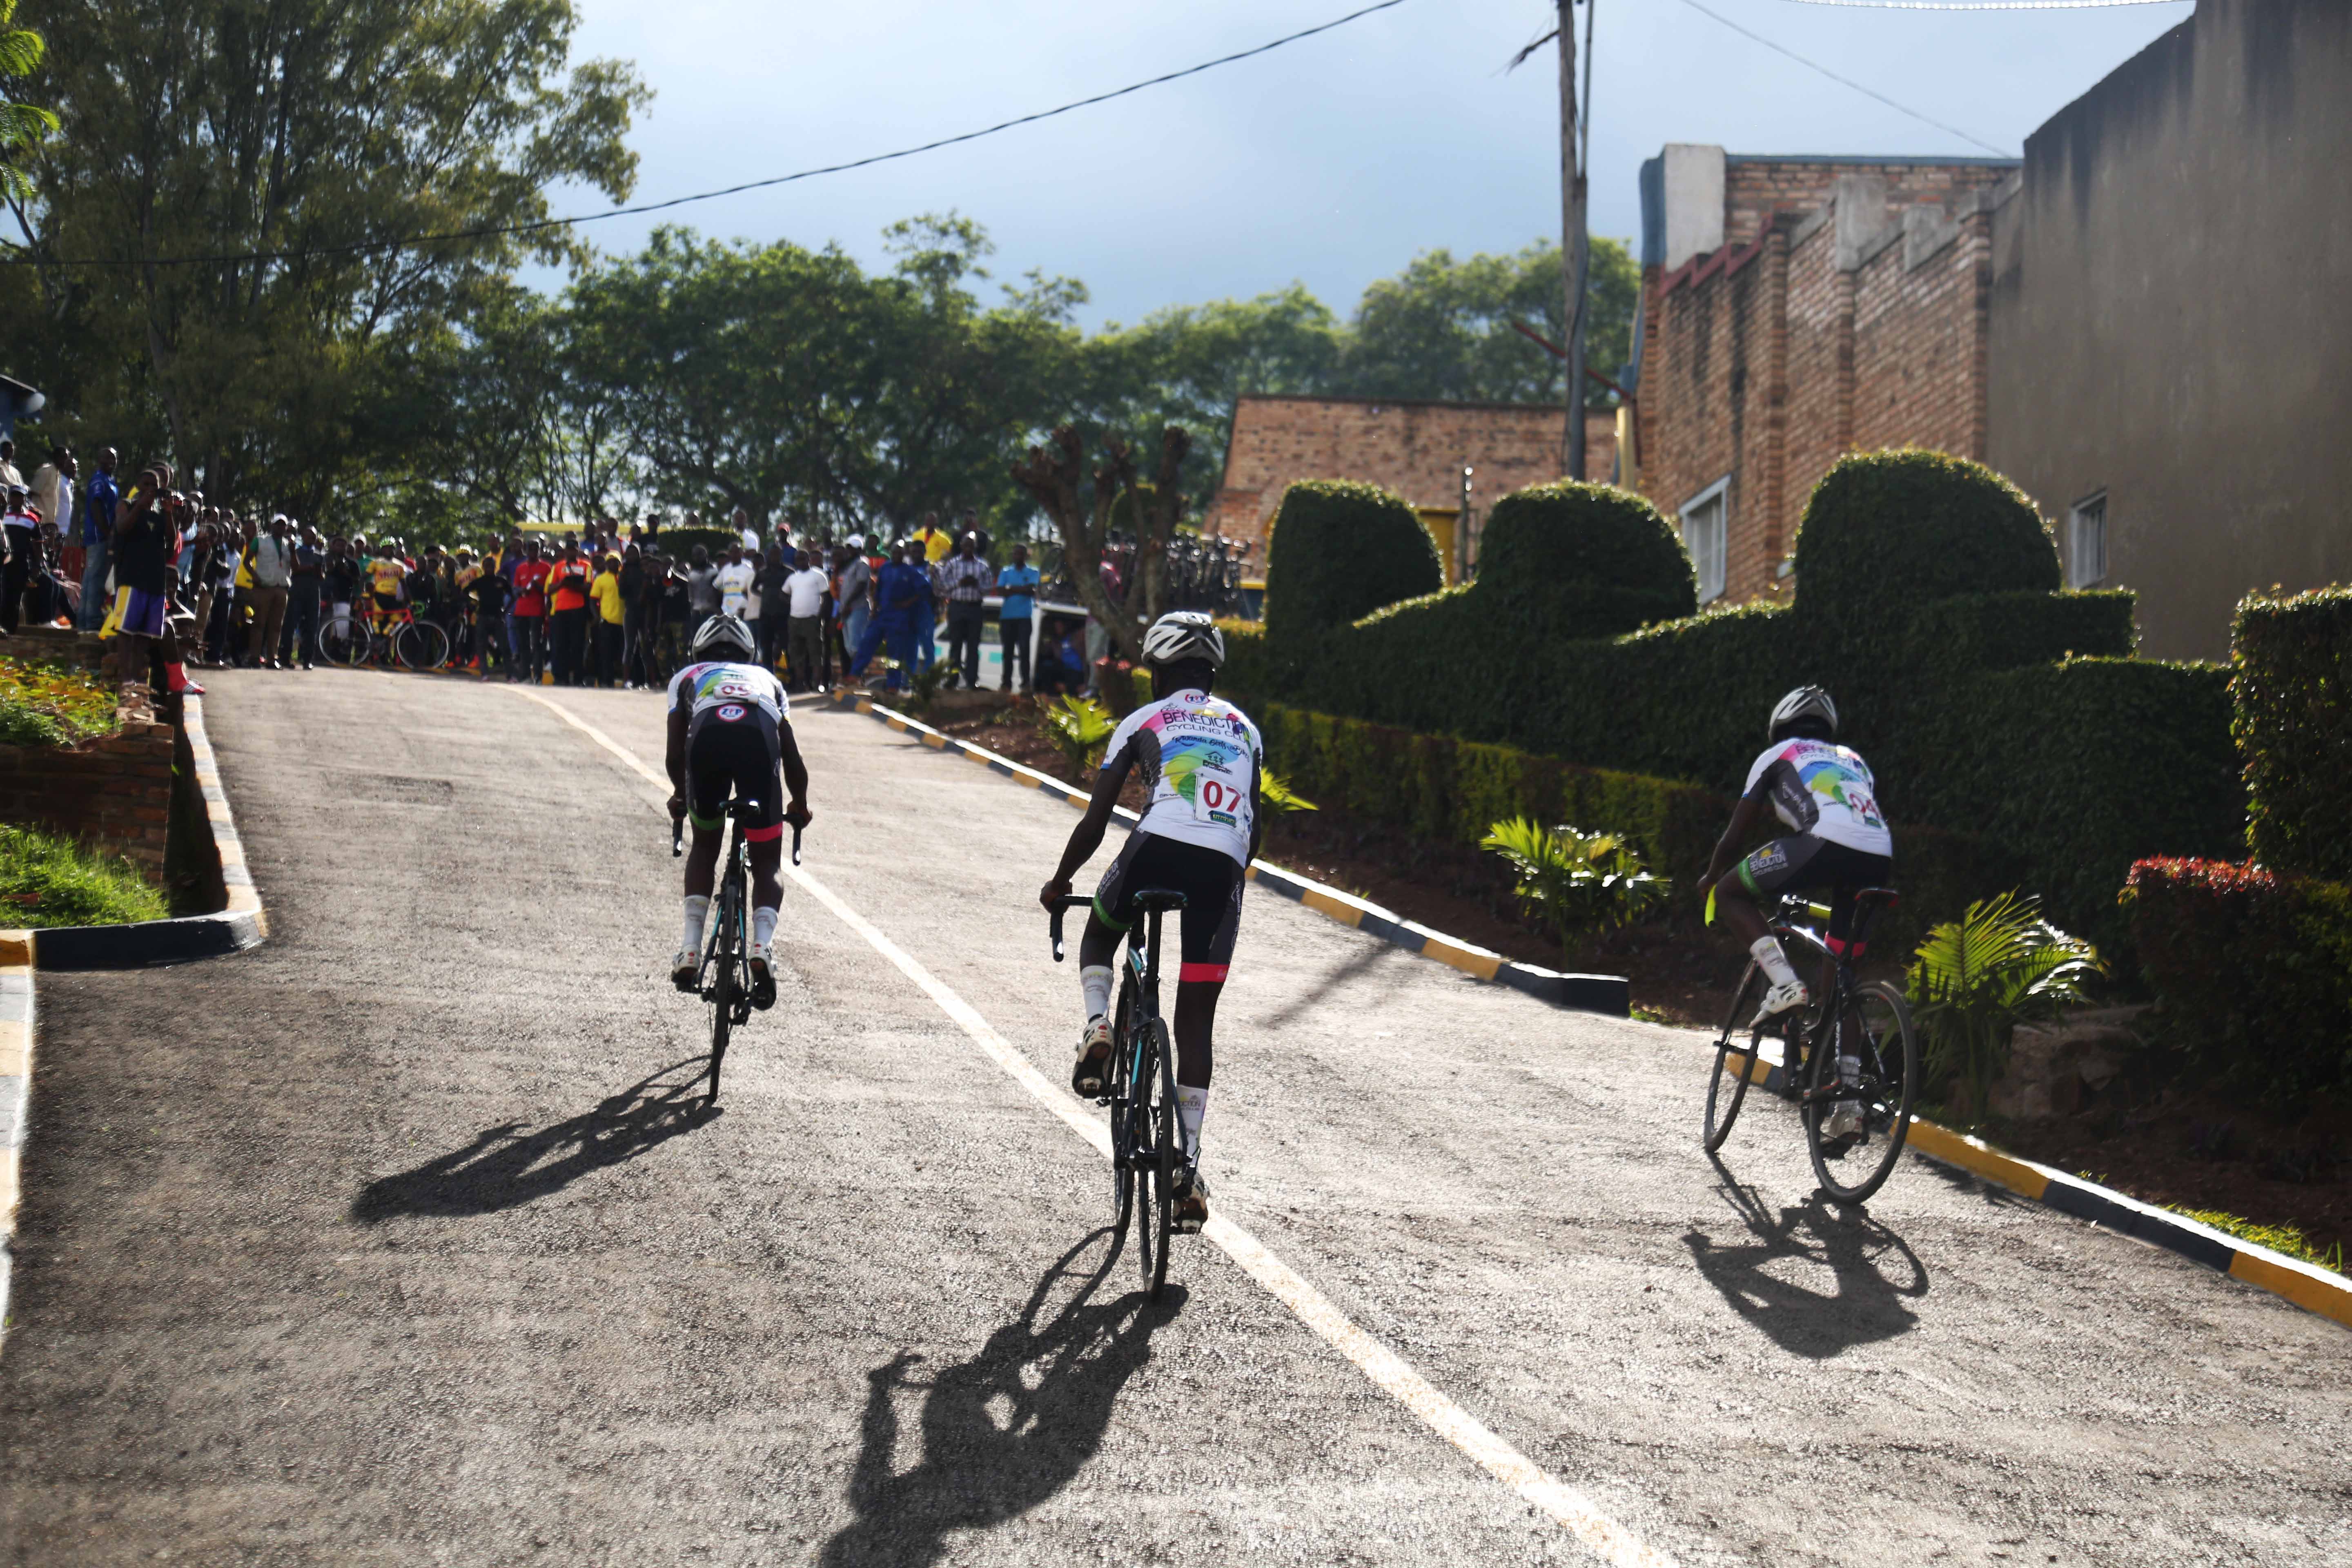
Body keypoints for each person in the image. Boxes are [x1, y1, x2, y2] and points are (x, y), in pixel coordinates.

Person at [1036, 612, 1261, 1236]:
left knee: (1102, 930)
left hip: (1156, 845)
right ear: (1211, 673)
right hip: (1223, 870)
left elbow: (1096, 817)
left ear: (1157, 672)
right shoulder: (1245, 728)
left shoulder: (1142, 720)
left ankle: (1099, 1025)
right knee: (1196, 1016)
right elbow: (1256, 830)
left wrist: (1060, 883)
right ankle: (1186, 1164)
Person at [1701, 686, 1893, 1141]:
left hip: (1822, 847)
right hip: (1879, 859)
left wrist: (1710, 876)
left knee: (1731, 892)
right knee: (1841, 976)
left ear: (1780, 724)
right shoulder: (1854, 759)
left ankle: (1785, 983)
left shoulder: (1778, 753)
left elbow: (1735, 833)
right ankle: (1848, 1104)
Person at [664, 612, 811, 1010]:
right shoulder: (769, 681)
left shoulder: (687, 676)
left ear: (699, 650)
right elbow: (791, 754)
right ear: (749, 652)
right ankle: (761, 945)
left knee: (705, 847)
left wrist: (681, 793)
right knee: (767, 864)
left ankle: (691, 947)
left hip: (707, 743)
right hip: (757, 744)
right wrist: (799, 802)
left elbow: (676, 751)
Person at [111, 474, 201, 697]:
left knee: (144, 633)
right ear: (138, 486)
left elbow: (172, 540)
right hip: (130, 578)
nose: (151, 489)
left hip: (154, 580)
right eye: (146, 484)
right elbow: (122, 528)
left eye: (155, 486)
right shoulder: (126, 505)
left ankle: (139, 679)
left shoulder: (160, 515)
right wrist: (140, 506)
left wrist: (169, 512)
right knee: (125, 631)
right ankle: (125, 678)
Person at [936, 532, 992, 690]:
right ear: (961, 546)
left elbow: (989, 589)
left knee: (973, 646)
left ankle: (971, 681)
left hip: (975, 608)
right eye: (966, 544)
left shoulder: (983, 565)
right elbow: (942, 585)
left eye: (972, 545)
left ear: (976, 547)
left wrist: (976, 585)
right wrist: (959, 583)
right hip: (957, 606)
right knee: (956, 645)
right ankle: (952, 680)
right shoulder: (953, 564)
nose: (969, 548)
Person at [245, 514, 294, 669]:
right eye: (278, 525)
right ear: (272, 526)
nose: (281, 528)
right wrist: (254, 576)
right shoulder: (260, 541)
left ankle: (272, 658)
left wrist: (293, 551)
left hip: (282, 588)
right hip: (264, 587)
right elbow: (247, 561)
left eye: (283, 525)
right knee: (259, 623)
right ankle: (254, 657)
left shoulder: (289, 545)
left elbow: (295, 566)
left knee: (276, 626)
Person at [78, 449, 119, 630]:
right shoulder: (99, 480)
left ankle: (84, 621)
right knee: (95, 579)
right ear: (99, 459)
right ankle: (92, 621)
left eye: (114, 458)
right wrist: (107, 532)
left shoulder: (110, 481)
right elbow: (96, 506)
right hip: (97, 536)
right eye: (107, 457)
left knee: (90, 579)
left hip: (101, 537)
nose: (111, 461)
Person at [545, 538, 594, 686]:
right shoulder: (559, 566)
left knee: (577, 645)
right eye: (570, 549)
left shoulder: (587, 566)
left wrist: (572, 585)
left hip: (578, 610)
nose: (572, 552)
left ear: (578, 550)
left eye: (575, 549)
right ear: (566, 551)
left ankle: (578, 679)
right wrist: (563, 583)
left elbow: (588, 586)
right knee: (561, 645)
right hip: (561, 610)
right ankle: (561, 678)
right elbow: (550, 589)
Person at [782, 548, 831, 694]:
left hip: (812, 620)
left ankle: (817, 685)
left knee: (816, 653)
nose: (801, 561)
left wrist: (819, 617)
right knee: (797, 654)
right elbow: (783, 594)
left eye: (804, 559)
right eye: (798, 559)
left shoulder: (819, 575)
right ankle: (800, 684)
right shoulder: (793, 578)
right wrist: (793, 603)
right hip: (795, 619)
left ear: (809, 559)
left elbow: (827, 598)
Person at [996, 542, 1041, 693]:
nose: (1018, 556)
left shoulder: (1033, 571)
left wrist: (1012, 589)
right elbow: (1001, 591)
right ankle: (1006, 683)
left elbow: (1031, 591)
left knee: (1024, 651)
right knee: (1007, 652)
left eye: (1020, 554)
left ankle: (1026, 683)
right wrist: (1021, 589)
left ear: (1025, 555)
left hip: (1024, 617)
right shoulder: (1006, 571)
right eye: (1015, 554)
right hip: (1007, 617)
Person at [508, 538, 550, 682]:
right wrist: (521, 591)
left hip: (537, 612)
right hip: (522, 611)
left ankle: (538, 676)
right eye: (530, 549)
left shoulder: (546, 568)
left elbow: (548, 590)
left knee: (537, 645)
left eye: (536, 549)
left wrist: (537, 586)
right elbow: (515, 588)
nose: (533, 552)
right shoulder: (521, 568)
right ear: (526, 551)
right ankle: (525, 675)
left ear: (539, 551)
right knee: (523, 645)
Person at [287, 526, 324, 669]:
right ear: (303, 537)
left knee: (311, 628)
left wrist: (319, 572)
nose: (312, 539)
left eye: (314, 537)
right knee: (290, 625)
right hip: (297, 592)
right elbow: (295, 569)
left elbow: (322, 577)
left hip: (313, 594)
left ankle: (307, 659)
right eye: (309, 536)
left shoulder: (320, 556)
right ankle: (285, 657)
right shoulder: (295, 553)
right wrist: (309, 568)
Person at [589, 551, 625, 688]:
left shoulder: (624, 577)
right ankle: (607, 681)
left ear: (620, 564)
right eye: (610, 562)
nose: (613, 564)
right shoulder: (601, 579)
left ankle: (623, 680)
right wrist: (597, 616)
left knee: (622, 654)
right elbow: (593, 600)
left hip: (624, 623)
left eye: (616, 562)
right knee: (606, 654)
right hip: (607, 622)